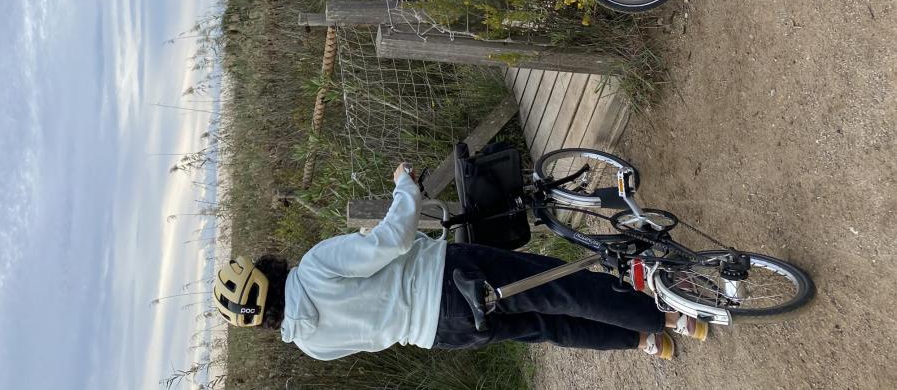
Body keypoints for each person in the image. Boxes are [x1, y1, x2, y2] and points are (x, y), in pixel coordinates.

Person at [212, 163, 707, 361]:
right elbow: (391, 242)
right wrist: (404, 186)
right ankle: (673, 317)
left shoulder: (311, 345)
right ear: (268, 270)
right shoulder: (313, 268)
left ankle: (645, 341)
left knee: (546, 326)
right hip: (449, 278)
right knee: (557, 287)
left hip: (442, 333)